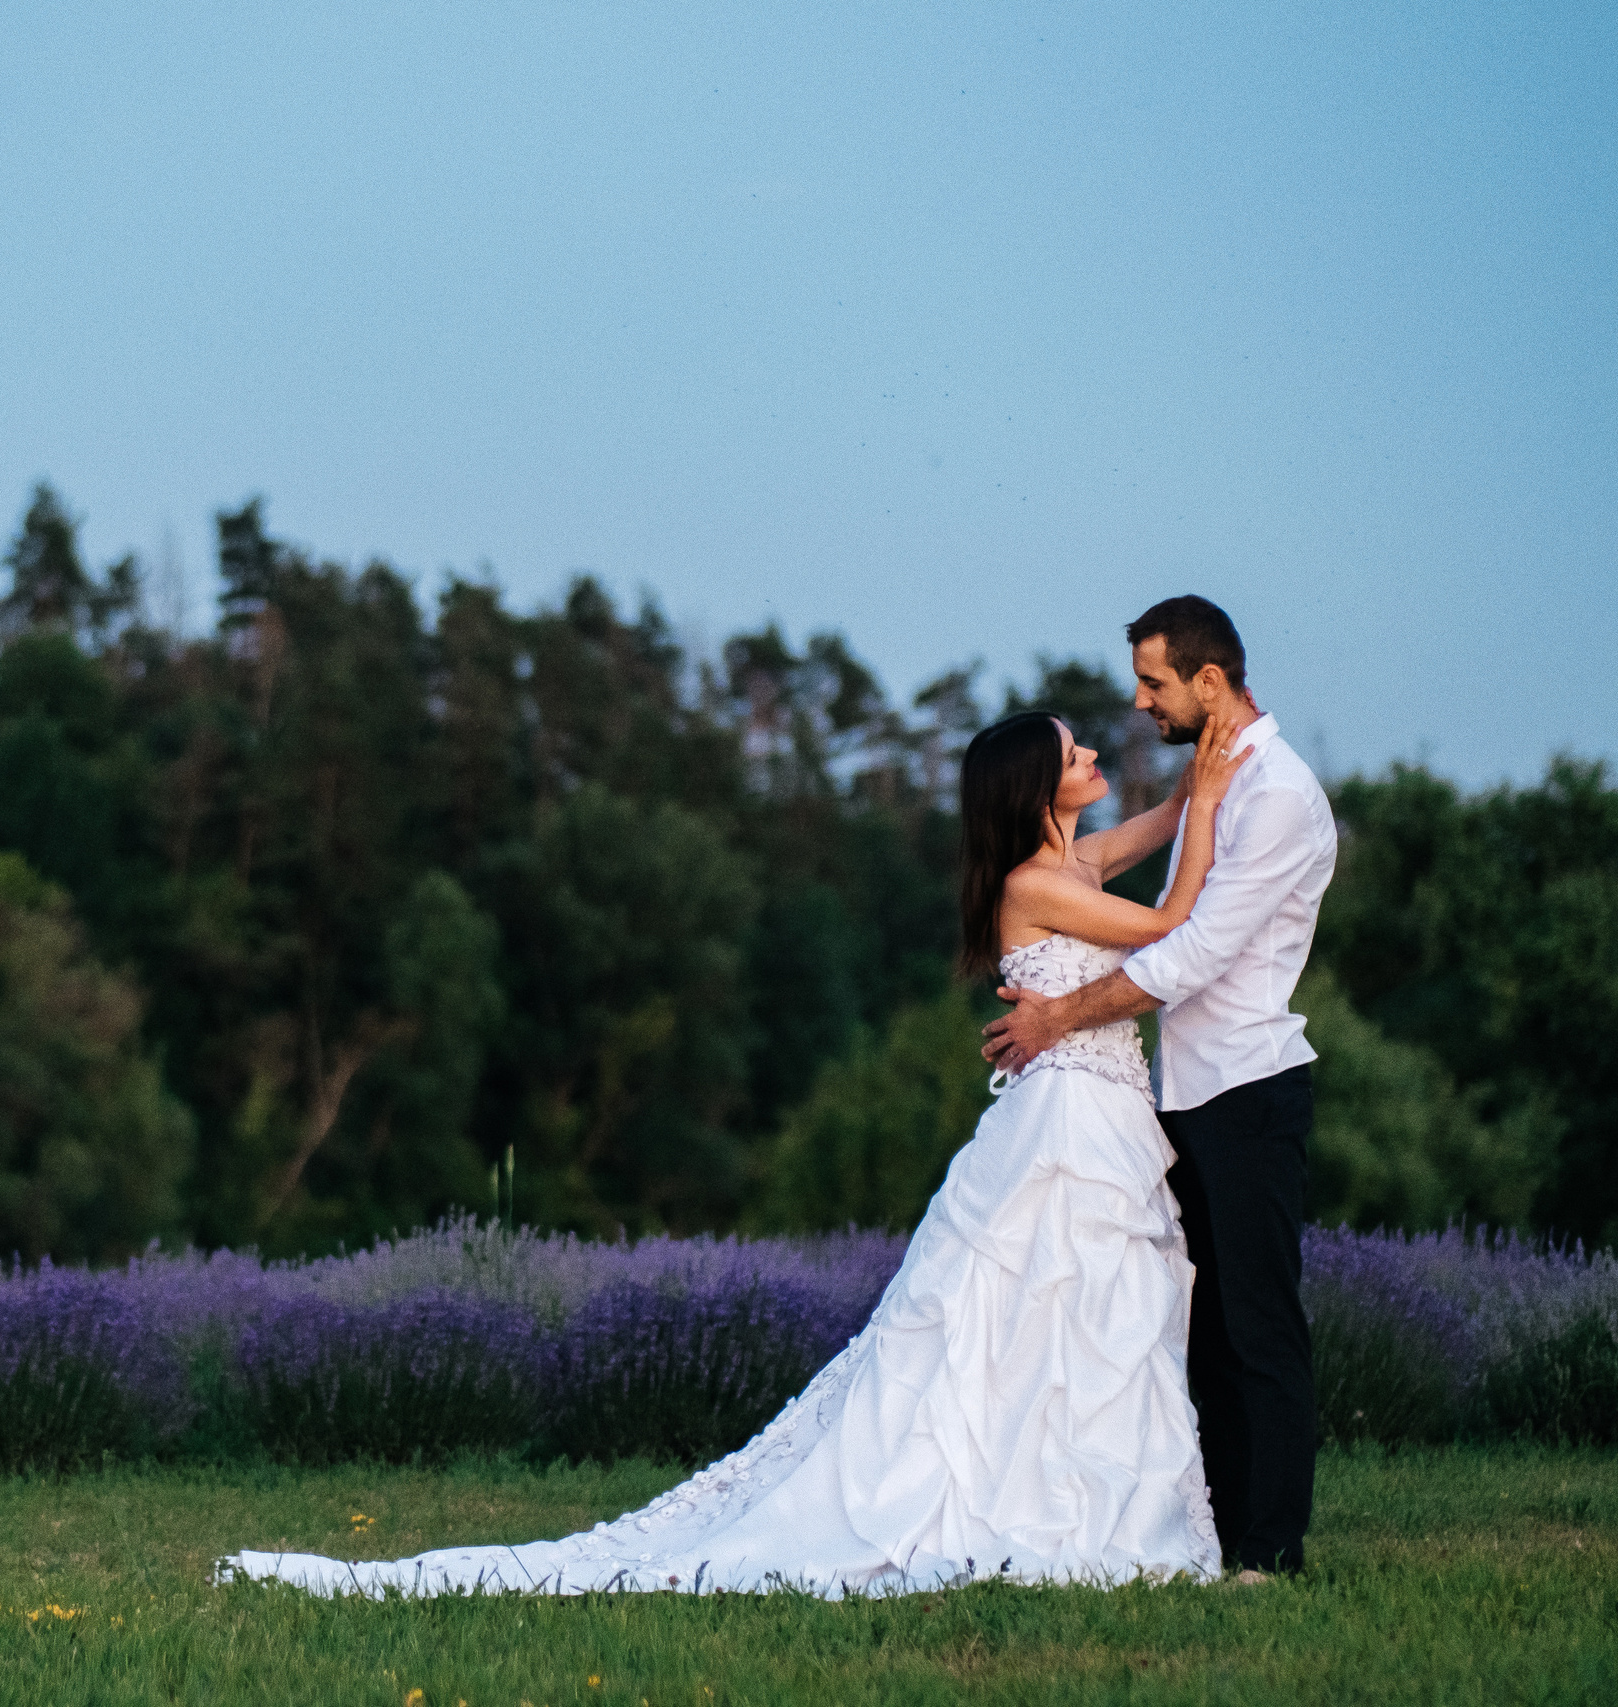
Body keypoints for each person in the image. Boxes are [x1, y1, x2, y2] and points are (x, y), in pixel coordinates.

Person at [220, 673, 1255, 1599]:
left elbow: (1153, 832)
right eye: (1074, 753)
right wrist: (1206, 804)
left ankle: (1077, 1494)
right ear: (1038, 783)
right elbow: (1173, 925)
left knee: (1082, 1327)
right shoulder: (1034, 885)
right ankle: (1011, 1503)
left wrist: (1202, 779)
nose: (1089, 760)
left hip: (1100, 1113)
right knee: (1035, 1319)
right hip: (1064, 1127)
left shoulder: (1070, 864)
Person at [982, 594, 1336, 1579]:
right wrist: (1193, 797)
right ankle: (1210, 1533)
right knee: (1202, 1327)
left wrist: (1055, 1016)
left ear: (1208, 681)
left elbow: (1194, 952)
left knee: (1256, 1323)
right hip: (1176, 1099)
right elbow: (1153, 879)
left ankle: (1269, 1548)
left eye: (1153, 682)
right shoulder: (1217, 780)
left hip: (1246, 1090)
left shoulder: (1275, 796)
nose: (1138, 703)